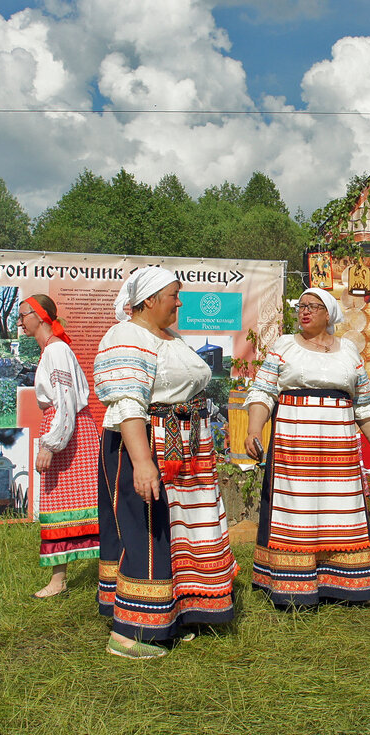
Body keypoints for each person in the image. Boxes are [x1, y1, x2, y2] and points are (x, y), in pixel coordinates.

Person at [94, 267, 237, 659]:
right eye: (174, 294)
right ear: (150, 299)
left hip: (180, 444)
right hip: (142, 443)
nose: (179, 301)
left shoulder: (169, 337)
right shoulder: (125, 336)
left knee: (172, 532)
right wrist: (142, 462)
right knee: (147, 532)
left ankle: (168, 614)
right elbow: (127, 403)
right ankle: (131, 632)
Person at [244, 287, 370, 608]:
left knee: (338, 511)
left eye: (313, 307)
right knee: (296, 511)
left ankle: (342, 583)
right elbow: (262, 393)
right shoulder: (285, 346)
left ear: (328, 314)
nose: (305, 312)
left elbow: (365, 407)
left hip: (338, 453)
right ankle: (293, 587)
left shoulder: (349, 353)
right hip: (294, 448)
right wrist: (253, 430)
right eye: (302, 306)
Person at [20, 294, 100, 599]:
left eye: (23, 314)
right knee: (60, 504)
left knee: (71, 502)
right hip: (66, 429)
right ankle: (60, 577)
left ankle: (76, 576)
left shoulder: (56, 350)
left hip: (69, 434)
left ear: (40, 317)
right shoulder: (52, 351)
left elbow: (65, 398)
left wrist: (51, 445)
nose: (20, 321)